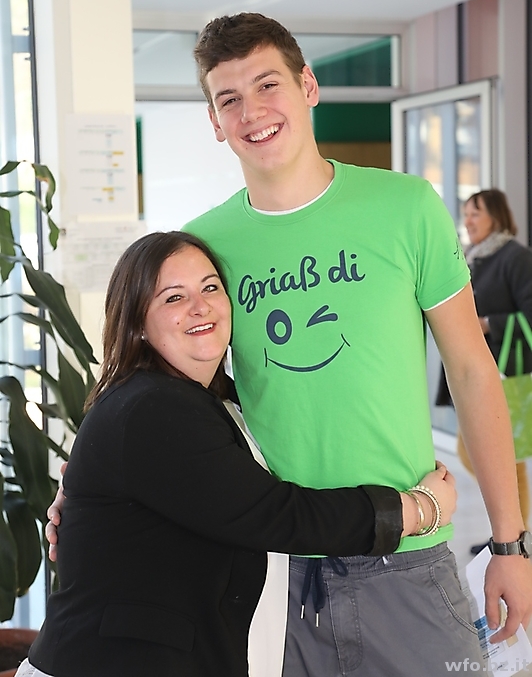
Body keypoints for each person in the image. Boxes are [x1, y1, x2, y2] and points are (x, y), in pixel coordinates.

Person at [47, 13, 532, 676]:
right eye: (229, 98)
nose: (252, 112)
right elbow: (163, 392)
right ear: (214, 121)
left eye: (267, 85)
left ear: (308, 86)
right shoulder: (205, 246)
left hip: (408, 555)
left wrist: (509, 542)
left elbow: (473, 371)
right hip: (271, 575)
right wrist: (83, 487)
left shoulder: (407, 207)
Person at [23, 231, 455, 677]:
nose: (200, 306)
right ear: (138, 324)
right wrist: (416, 510)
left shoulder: (202, 399)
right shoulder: (154, 407)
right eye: (174, 298)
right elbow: (276, 515)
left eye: (210, 287)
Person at [462, 189, 531, 552]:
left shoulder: (515, 257)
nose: (468, 220)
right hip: (482, 371)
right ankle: (515, 533)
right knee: (471, 449)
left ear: (496, 216)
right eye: (465, 213)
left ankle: (515, 541)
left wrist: (488, 323)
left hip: (509, 373)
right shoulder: (474, 258)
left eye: (475, 213)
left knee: (509, 458)